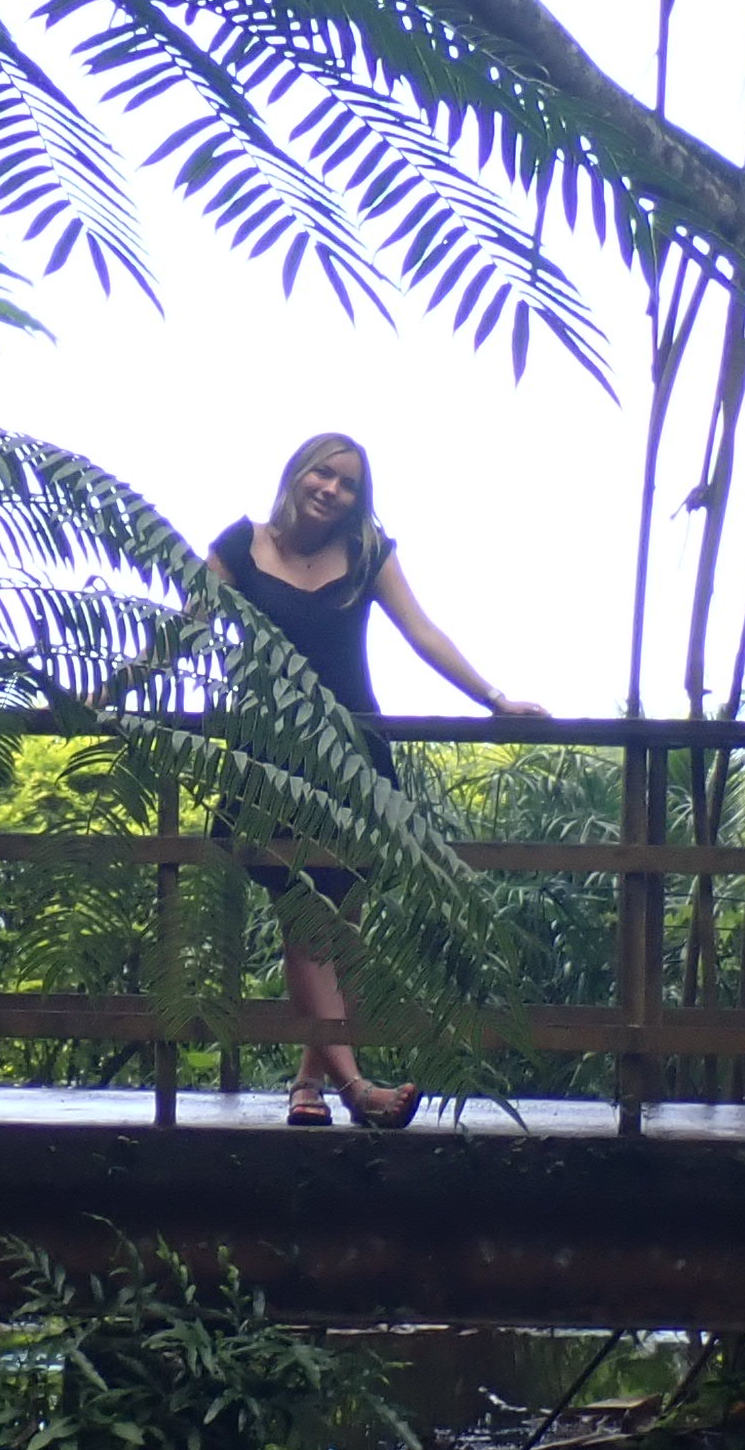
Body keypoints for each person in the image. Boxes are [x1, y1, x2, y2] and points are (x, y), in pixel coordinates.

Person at [208, 433, 543, 1129]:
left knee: (343, 930)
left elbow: (422, 634)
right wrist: (105, 690)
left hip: (354, 758)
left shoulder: (367, 555)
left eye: (348, 484)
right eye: (321, 474)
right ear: (296, 473)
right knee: (305, 924)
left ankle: (308, 1088)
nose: (331, 490)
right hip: (270, 763)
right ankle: (358, 1088)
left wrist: (495, 698)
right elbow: (181, 631)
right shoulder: (240, 547)